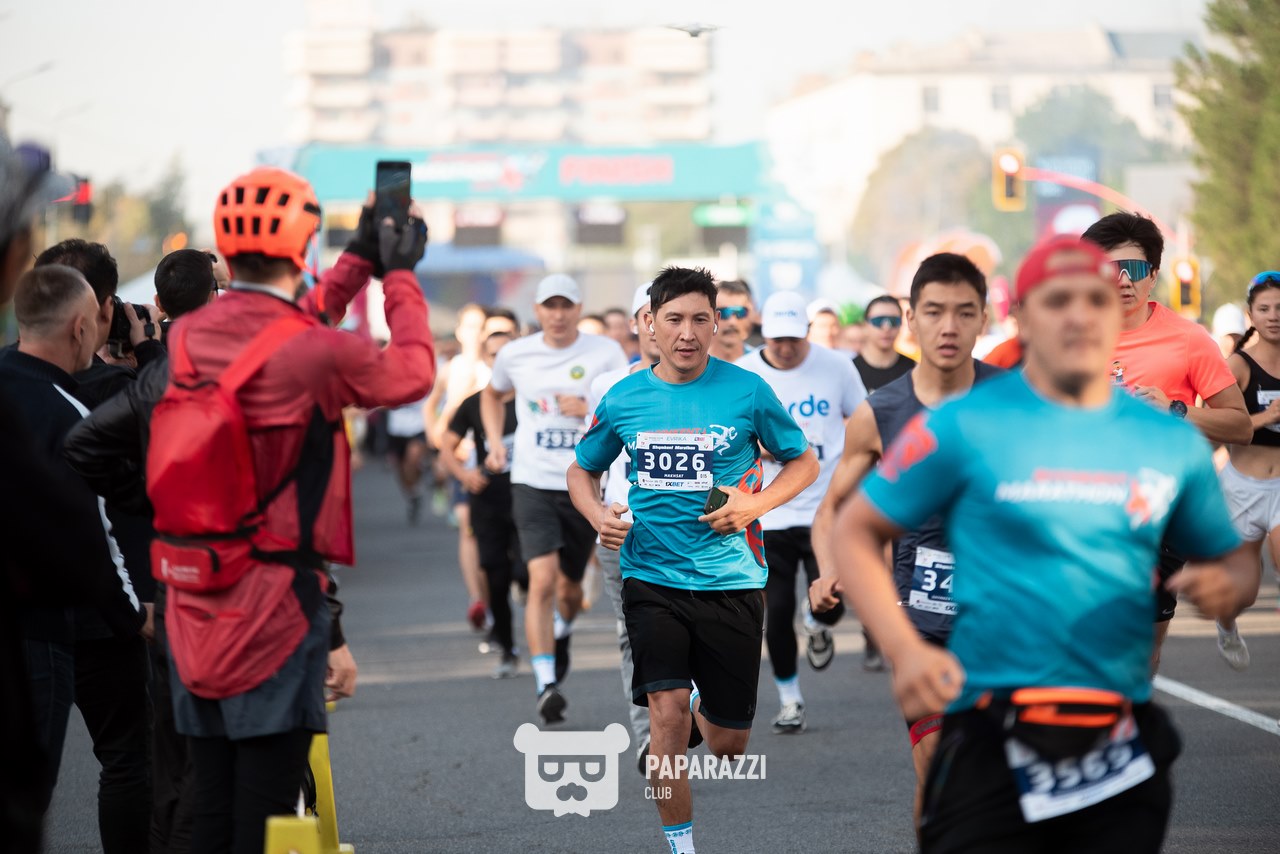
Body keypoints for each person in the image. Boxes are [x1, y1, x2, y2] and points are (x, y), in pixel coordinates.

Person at [831, 235, 1256, 854]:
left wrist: (1229, 585)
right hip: (991, 728)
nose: (1078, 316)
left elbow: (1237, 560)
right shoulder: (963, 423)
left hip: (1115, 741)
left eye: (1095, 300)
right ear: (1024, 319)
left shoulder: (1164, 441)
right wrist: (905, 649)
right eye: (1058, 301)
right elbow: (854, 527)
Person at [154, 166, 433, 854]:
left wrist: (359, 258)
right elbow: (413, 372)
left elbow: (285, 325)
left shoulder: (189, 336)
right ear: (302, 244)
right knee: (266, 807)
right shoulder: (317, 351)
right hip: (273, 605)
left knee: (207, 794)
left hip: (191, 593)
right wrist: (398, 275)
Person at [568, 266, 818, 854]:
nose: (687, 333)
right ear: (650, 324)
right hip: (650, 574)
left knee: (729, 745)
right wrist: (597, 515)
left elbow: (803, 461)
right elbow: (582, 469)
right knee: (666, 714)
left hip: (730, 577)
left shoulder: (747, 390)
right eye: (674, 319)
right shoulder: (624, 397)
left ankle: (703, 706)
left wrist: (755, 504)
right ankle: (682, 847)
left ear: (717, 324)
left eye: (700, 319)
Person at [810, 252, 1000, 829]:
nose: (949, 327)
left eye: (964, 312)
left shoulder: (1016, 403)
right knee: (939, 769)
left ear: (983, 318)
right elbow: (831, 511)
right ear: (911, 319)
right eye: (934, 312)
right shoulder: (881, 412)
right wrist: (827, 570)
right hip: (919, 621)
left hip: (1005, 616)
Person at [62, 247, 220, 854]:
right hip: (137, 599)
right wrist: (149, 351)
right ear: (100, 312)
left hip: (46, 609)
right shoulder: (133, 387)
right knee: (141, 758)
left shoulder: (20, 381)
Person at [0, 265, 148, 849]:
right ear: (82, 327)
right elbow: (96, 533)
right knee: (33, 792)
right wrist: (135, 616)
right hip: (43, 629)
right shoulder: (69, 413)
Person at [1082, 212, 1252, 668]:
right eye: (1111, 269)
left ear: (1153, 275)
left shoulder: (1188, 340)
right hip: (1084, 503)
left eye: (1134, 269)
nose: (1123, 280)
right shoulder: (1073, 337)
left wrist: (1175, 410)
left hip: (1160, 509)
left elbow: (1240, 425)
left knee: (1142, 647)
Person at [480, 274, 628, 723]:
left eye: (566, 306)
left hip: (584, 482)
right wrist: (494, 441)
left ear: (579, 309)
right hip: (532, 481)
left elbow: (623, 405)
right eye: (550, 306)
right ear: (538, 311)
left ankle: (561, 630)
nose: (558, 314)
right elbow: (492, 394)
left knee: (569, 590)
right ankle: (545, 683)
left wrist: (589, 410)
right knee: (541, 580)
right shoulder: (516, 353)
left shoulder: (606, 352)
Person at [737, 290, 865, 733]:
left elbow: (864, 420)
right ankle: (790, 699)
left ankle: (817, 623)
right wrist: (760, 448)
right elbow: (728, 437)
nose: (786, 348)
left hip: (824, 509)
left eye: (794, 338)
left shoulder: (837, 366)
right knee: (776, 609)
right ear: (764, 334)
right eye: (777, 339)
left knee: (832, 599)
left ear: (808, 331)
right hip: (768, 509)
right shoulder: (746, 373)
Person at [584, 282, 661, 771]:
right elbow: (587, 462)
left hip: (693, 534)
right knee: (633, 632)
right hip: (624, 533)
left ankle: (688, 711)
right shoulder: (608, 387)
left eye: (667, 315)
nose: (657, 327)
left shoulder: (719, 386)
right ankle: (648, 736)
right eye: (647, 317)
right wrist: (598, 516)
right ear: (635, 326)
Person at [440, 329, 521, 677]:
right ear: (486, 360)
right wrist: (463, 474)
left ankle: (545, 632)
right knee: (495, 575)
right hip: (488, 500)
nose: (500, 360)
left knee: (527, 571)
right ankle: (507, 647)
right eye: (493, 354)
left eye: (507, 353)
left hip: (528, 496)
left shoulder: (533, 399)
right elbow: (446, 445)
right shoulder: (475, 403)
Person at [1216, 270, 1280, 669]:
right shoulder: (1237, 366)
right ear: (1250, 315)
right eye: (1265, 308)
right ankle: (1227, 625)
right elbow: (1216, 425)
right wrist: (1266, 417)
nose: (1274, 316)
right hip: (1242, 488)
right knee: (1244, 593)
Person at [424, 303, 491, 629]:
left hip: (495, 459)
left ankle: (493, 593)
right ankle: (477, 598)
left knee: (493, 534)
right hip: (464, 460)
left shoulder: (496, 365)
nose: (475, 334)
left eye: (481, 326)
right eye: (470, 327)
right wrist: (437, 440)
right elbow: (431, 407)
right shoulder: (452, 368)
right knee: (467, 525)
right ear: (461, 331)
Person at [854, 294, 916, 391]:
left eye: (893, 321)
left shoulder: (914, 371)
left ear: (901, 325)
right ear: (865, 326)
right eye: (878, 321)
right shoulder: (850, 370)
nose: (886, 328)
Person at [707, 278, 755, 363]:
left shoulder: (758, 364)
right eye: (723, 312)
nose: (732, 322)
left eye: (740, 312)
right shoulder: (696, 363)